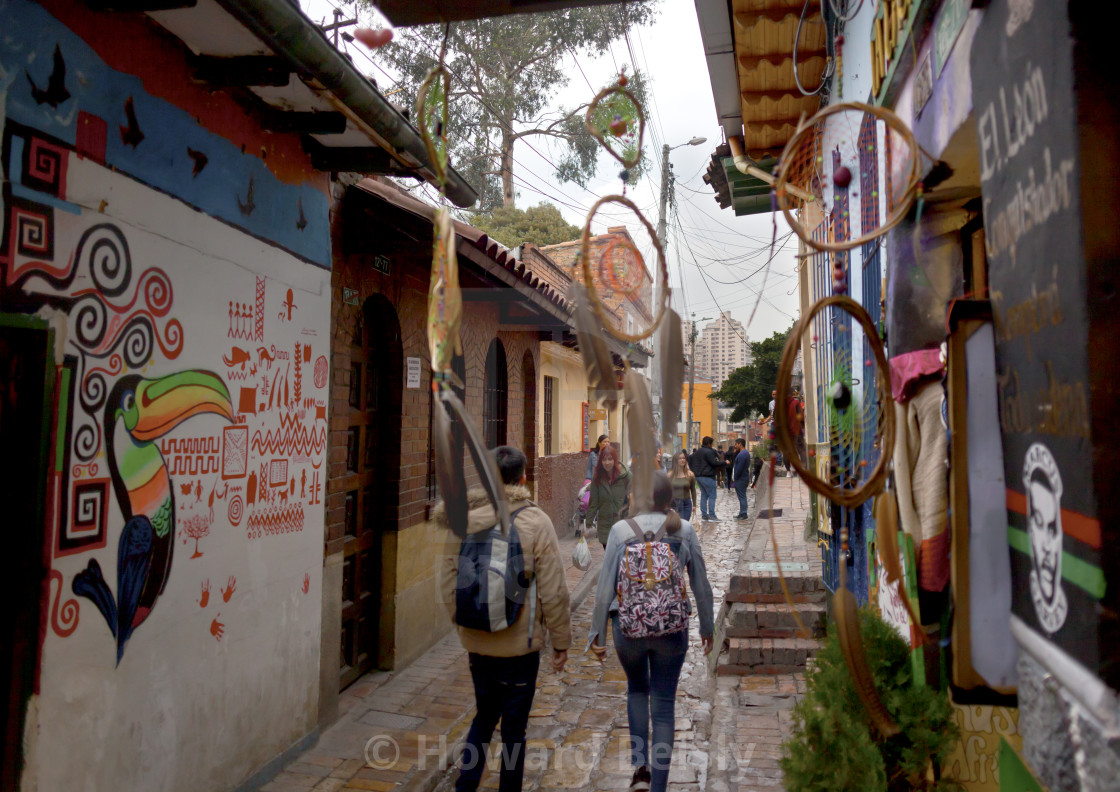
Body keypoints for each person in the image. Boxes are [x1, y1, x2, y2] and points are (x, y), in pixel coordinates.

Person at [437, 446, 571, 792]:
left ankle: (465, 786)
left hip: (478, 646)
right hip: (519, 649)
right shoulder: (535, 521)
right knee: (514, 731)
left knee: (483, 716)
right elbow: (554, 590)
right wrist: (561, 642)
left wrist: (466, 621)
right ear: (523, 478)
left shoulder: (464, 519)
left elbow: (448, 580)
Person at [587, 472, 714, 792]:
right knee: (663, 704)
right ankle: (658, 786)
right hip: (672, 631)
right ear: (669, 499)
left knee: (636, 690)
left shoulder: (619, 531)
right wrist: (708, 628)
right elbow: (701, 585)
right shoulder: (683, 530)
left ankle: (641, 767)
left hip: (627, 630)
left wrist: (597, 635)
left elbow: (604, 591)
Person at [587, 444, 632, 548]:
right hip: (605, 526)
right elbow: (593, 502)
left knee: (621, 559)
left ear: (615, 460)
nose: (607, 463)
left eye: (610, 459)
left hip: (622, 524)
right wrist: (588, 524)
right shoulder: (597, 478)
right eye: (604, 459)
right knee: (609, 558)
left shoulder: (626, 476)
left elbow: (634, 500)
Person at [687, 436, 726, 521]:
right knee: (712, 495)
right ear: (709, 443)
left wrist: (694, 471)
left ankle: (704, 515)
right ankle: (712, 515)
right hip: (708, 476)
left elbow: (690, 459)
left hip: (698, 477)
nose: (712, 445)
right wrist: (724, 462)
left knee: (704, 495)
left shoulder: (697, 451)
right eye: (711, 444)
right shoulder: (709, 452)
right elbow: (714, 462)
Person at [669, 451, 697, 521]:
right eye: (680, 458)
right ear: (675, 460)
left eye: (684, 458)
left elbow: (693, 490)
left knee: (684, 524)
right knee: (676, 525)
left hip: (686, 504)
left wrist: (694, 505)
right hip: (674, 504)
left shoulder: (690, 474)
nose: (682, 460)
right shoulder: (670, 475)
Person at [788, 388, 807, 473]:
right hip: (796, 430)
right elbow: (800, 416)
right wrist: (802, 425)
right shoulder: (795, 403)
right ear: (792, 393)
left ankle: (789, 470)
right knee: (800, 449)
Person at [730, 438, 750, 519]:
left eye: (736, 444)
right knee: (742, 496)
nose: (735, 446)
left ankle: (744, 513)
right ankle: (741, 512)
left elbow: (739, 468)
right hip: (743, 478)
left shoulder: (742, 454)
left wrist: (735, 477)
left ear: (740, 444)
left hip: (741, 479)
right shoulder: (744, 453)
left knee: (742, 497)